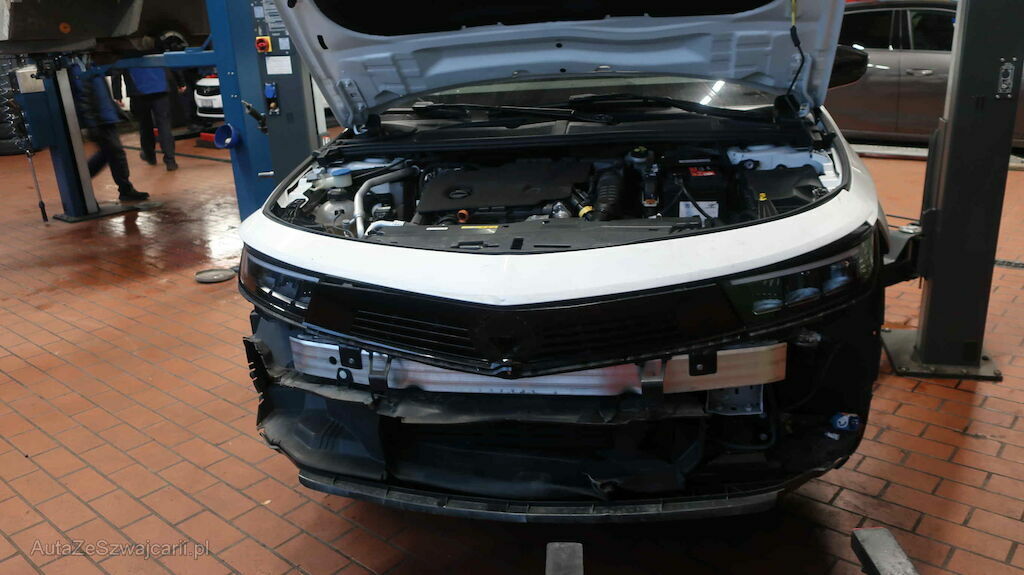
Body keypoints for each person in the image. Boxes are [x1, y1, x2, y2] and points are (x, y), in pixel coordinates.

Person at [67, 59, 149, 202]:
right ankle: (79, 184)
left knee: (111, 154)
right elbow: (82, 96)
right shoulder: (77, 68)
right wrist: (91, 122)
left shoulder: (89, 64)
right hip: (99, 119)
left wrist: (115, 110)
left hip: (105, 116)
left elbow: (102, 91)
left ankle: (124, 188)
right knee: (114, 153)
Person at [111, 67, 184, 171]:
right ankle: (170, 160)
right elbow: (170, 62)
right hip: (160, 86)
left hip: (137, 89)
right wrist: (180, 82)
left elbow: (117, 69)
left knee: (144, 124)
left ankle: (150, 156)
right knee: (164, 125)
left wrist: (117, 94)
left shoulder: (124, 54)